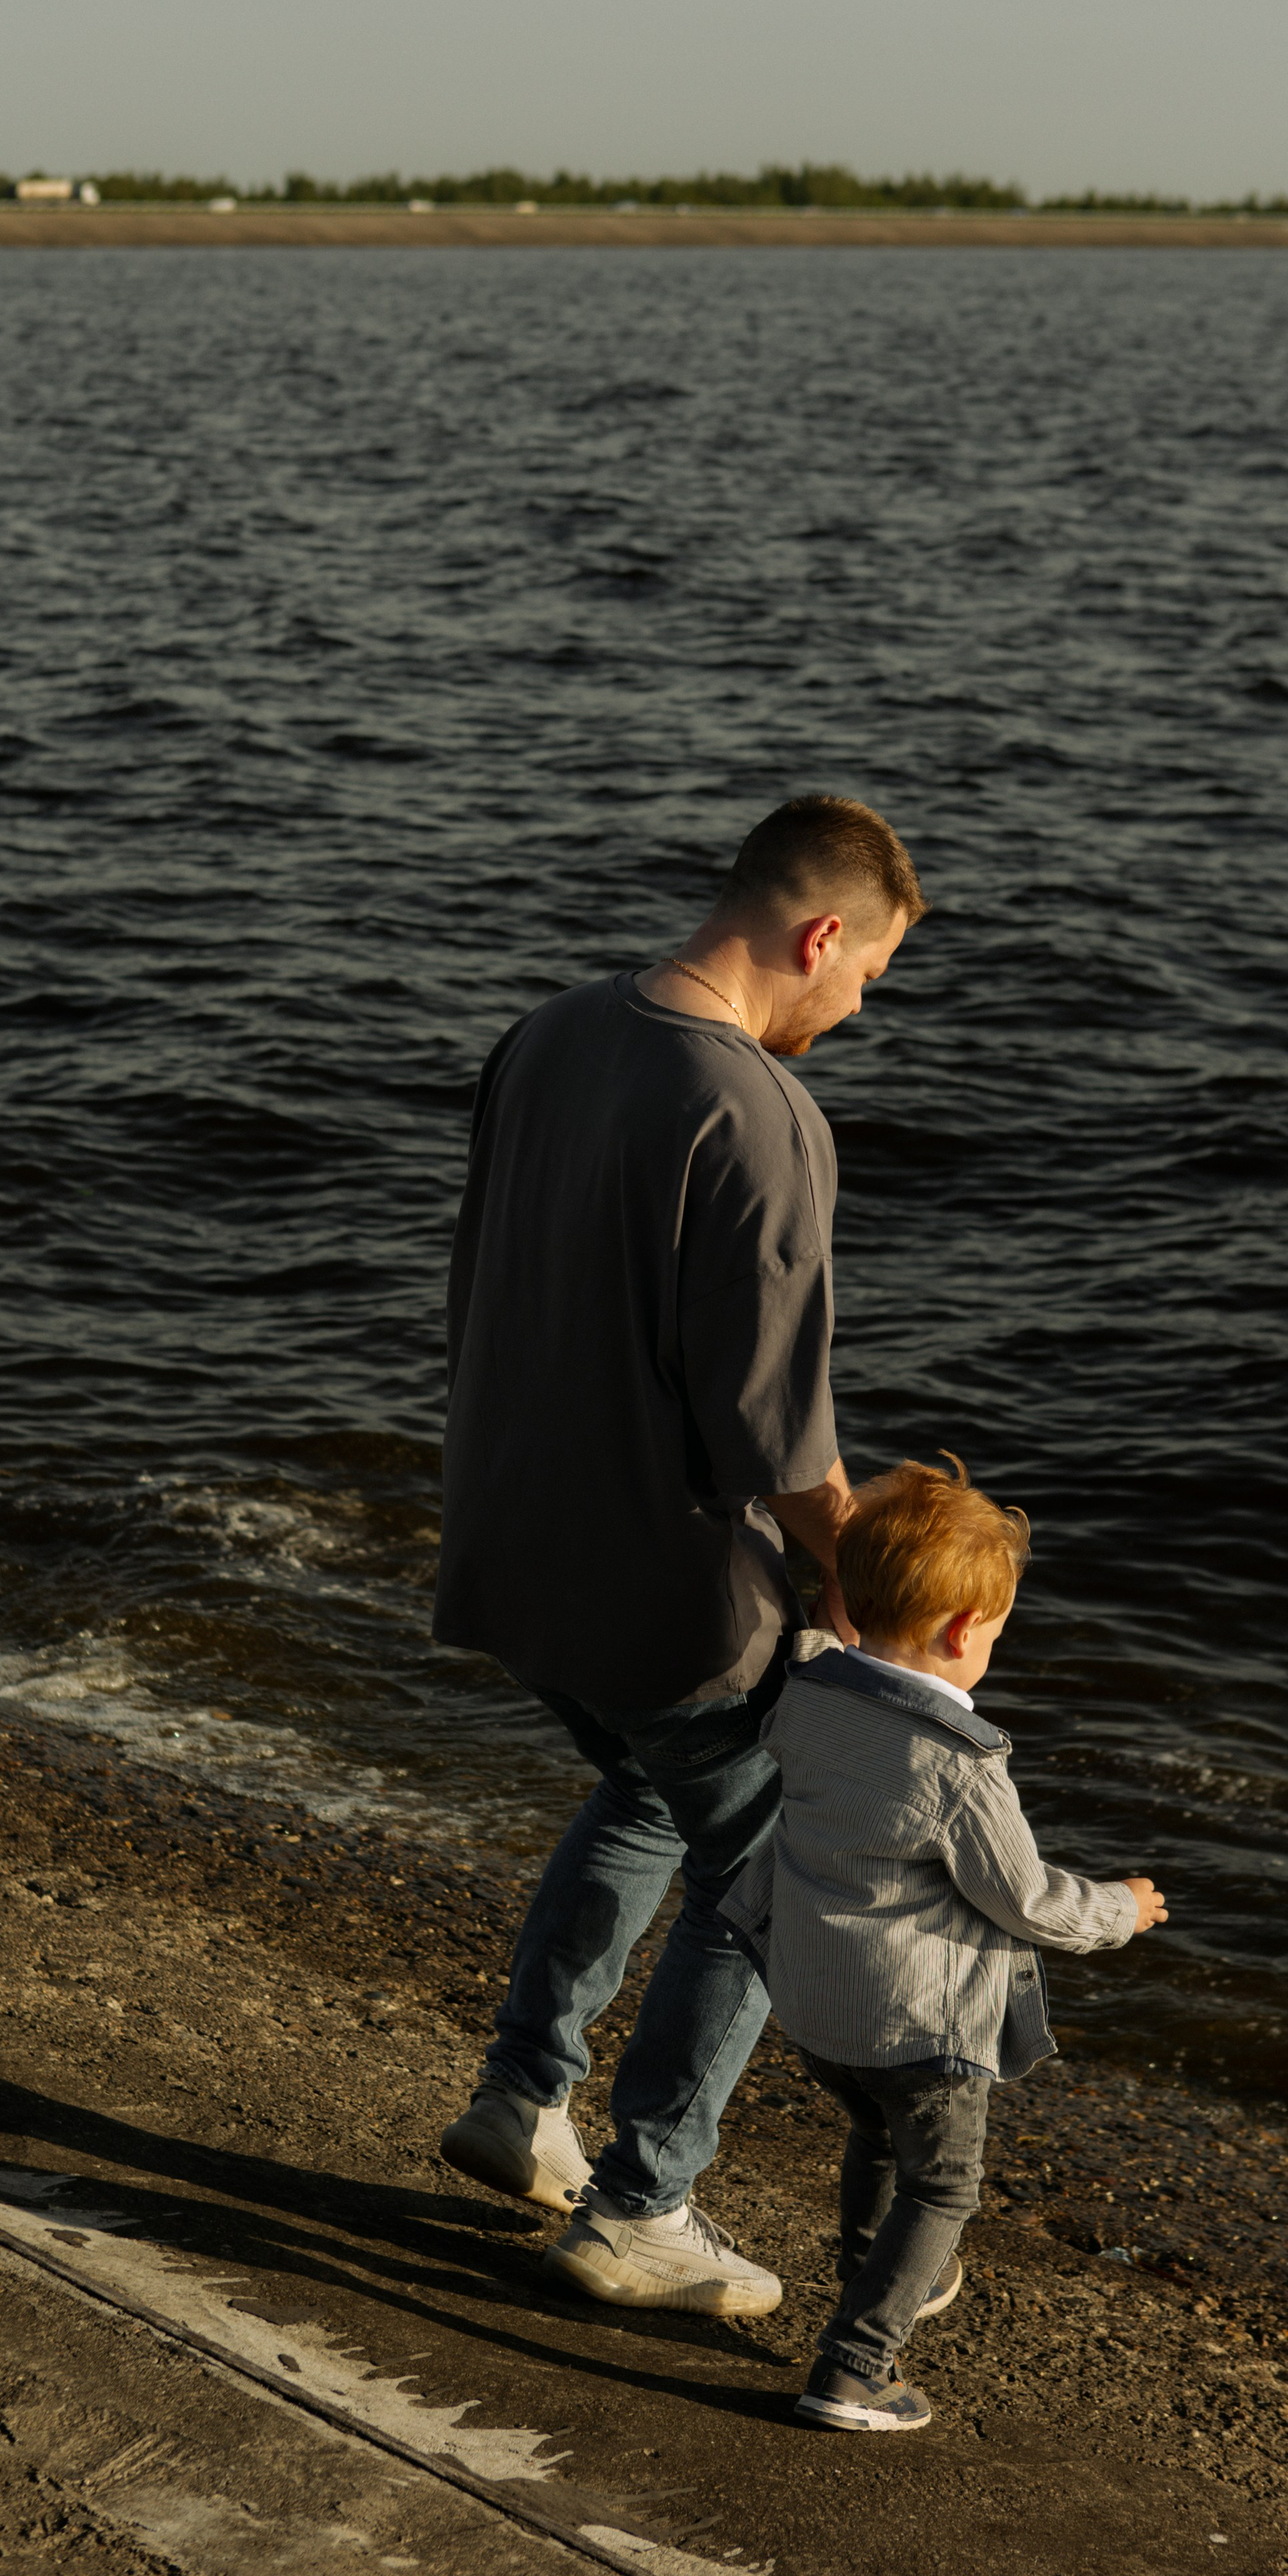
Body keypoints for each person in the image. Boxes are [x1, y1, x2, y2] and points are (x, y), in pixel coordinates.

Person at [433, 795, 927, 2317]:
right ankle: (640, 2206)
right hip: (661, 1594)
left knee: (652, 1789)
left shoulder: (548, 1034)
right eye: (869, 976)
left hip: (511, 1546)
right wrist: (862, 1586)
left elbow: (477, 1289)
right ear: (821, 933)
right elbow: (775, 1433)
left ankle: (523, 2099)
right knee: (772, 1862)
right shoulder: (760, 1115)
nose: (859, 1011)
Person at [720, 1455, 1168, 2429]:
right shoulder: (960, 1764)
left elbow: (808, 1723)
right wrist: (1120, 1910)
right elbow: (1028, 1899)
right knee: (945, 2188)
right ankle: (855, 2367)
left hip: (817, 2003)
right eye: (997, 1633)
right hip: (920, 2027)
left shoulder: (807, 1694)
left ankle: (873, 2272)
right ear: (964, 1632)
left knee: (876, 2136)